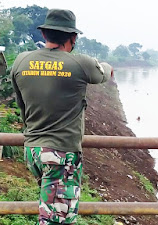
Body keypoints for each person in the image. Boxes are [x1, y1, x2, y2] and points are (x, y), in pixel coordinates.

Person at [10, 9, 113, 225]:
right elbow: (103, 73)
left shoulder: (21, 61)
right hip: (61, 154)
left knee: (52, 211)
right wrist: (107, 67)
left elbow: (22, 104)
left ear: (45, 34)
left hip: (34, 151)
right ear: (73, 38)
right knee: (57, 219)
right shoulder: (80, 64)